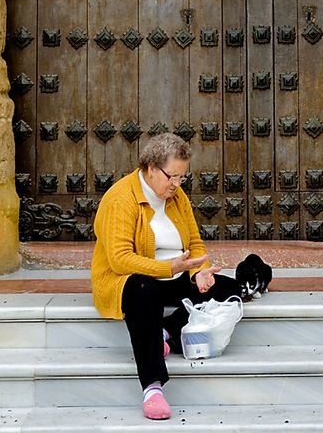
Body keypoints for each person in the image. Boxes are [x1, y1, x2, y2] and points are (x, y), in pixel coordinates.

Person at [91, 132, 241, 421]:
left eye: (182, 178)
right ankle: (152, 386)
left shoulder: (176, 197)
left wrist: (199, 272)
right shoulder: (120, 199)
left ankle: (167, 334)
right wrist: (168, 268)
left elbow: (195, 244)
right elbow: (120, 260)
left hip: (174, 273)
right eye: (171, 176)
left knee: (227, 288)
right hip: (131, 279)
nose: (176, 184)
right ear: (150, 168)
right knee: (142, 290)